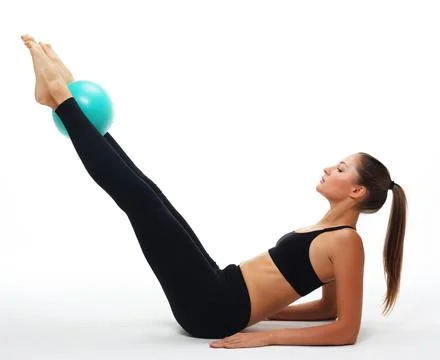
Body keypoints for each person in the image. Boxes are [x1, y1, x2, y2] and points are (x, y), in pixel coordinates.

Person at [21, 34, 407, 348]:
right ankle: (66, 101)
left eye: (340, 168)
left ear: (357, 191)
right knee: (150, 196)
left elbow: (344, 328)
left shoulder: (346, 242)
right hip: (220, 287)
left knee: (140, 203)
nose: (328, 167)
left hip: (214, 309)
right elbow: (326, 309)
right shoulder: (330, 231)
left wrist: (266, 337)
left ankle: (62, 99)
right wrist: (266, 314)